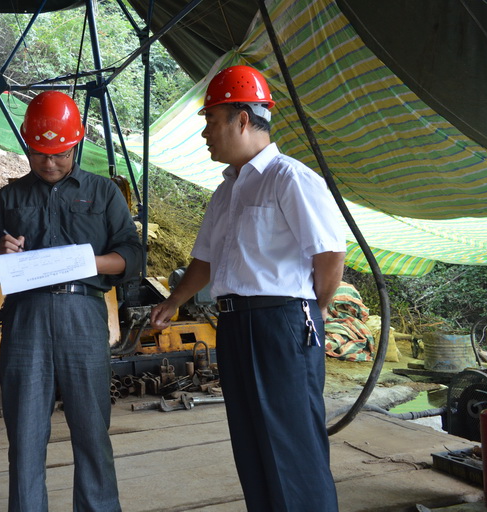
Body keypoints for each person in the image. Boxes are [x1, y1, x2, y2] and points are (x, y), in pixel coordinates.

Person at [150, 65, 346, 511]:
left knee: (291, 444)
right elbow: (206, 259)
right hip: (236, 324)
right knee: (252, 440)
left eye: (211, 120)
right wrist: (175, 300)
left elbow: (330, 253)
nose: (205, 133)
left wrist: (313, 308)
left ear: (242, 119)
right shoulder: (227, 191)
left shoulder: (289, 178)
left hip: (281, 322)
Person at [0, 90, 142, 512]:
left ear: (76, 145)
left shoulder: (103, 193)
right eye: (40, 154)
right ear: (28, 146)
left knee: (92, 432)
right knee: (25, 437)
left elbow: (132, 255)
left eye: (60, 154)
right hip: (25, 319)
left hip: (82, 315)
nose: (49, 163)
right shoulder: (10, 197)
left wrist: (88, 262)